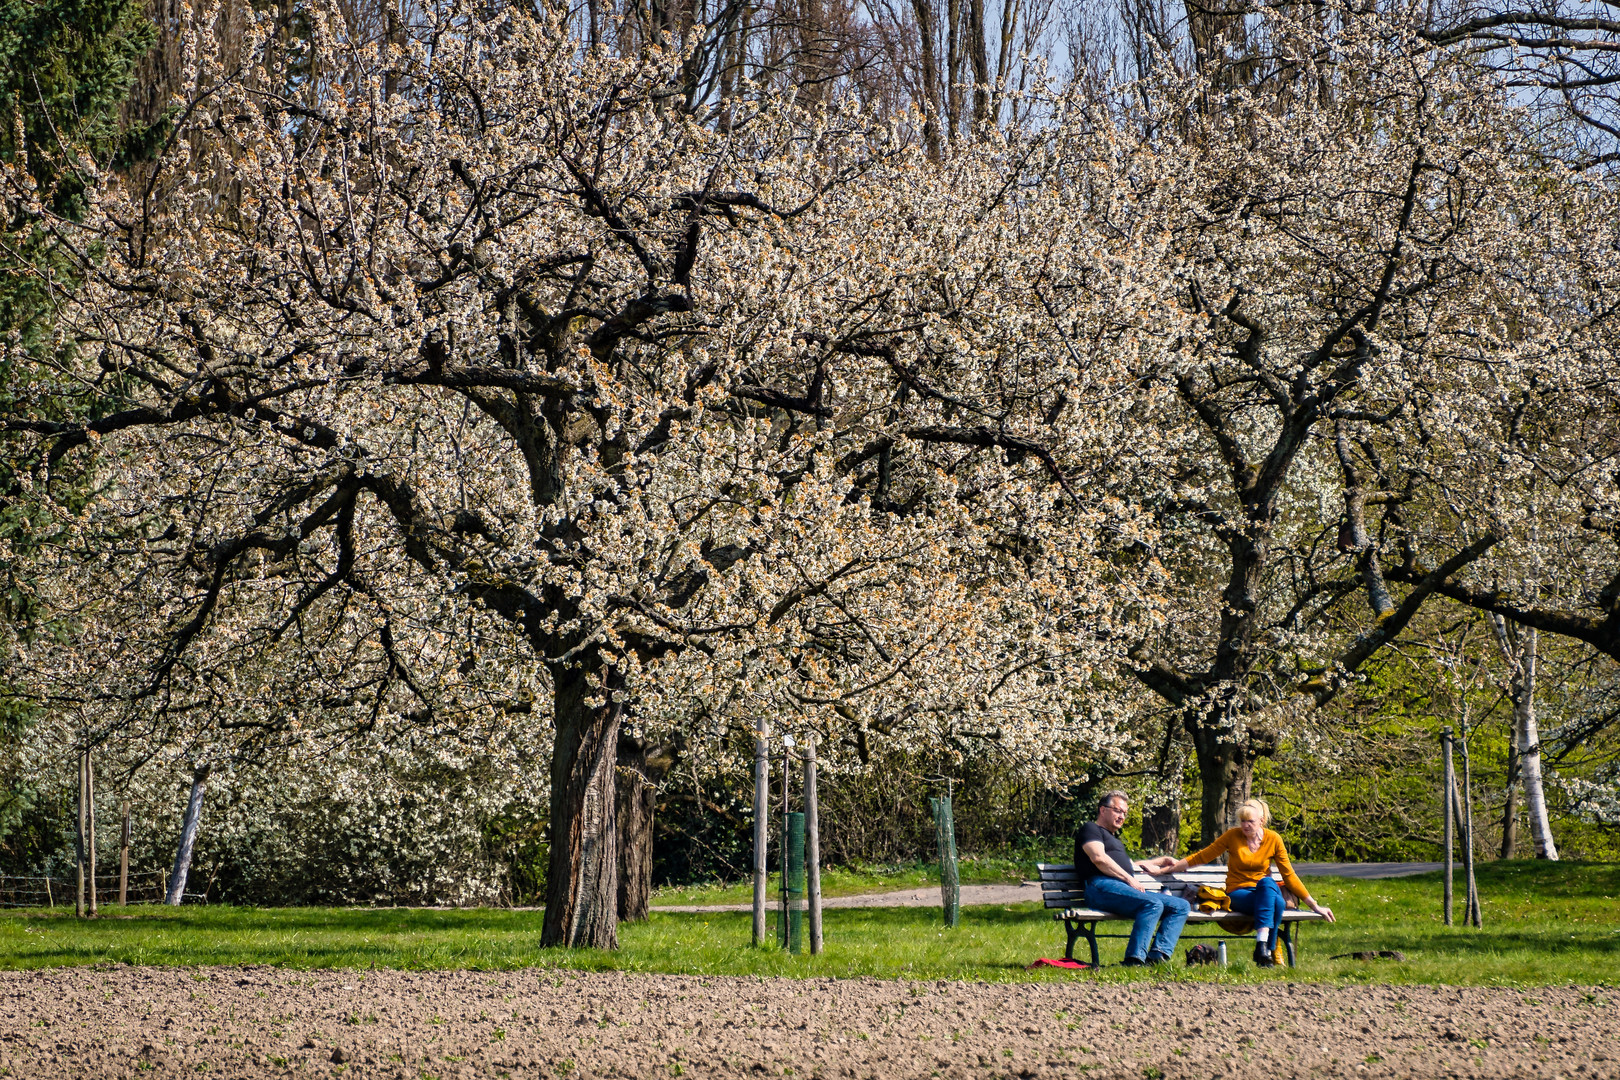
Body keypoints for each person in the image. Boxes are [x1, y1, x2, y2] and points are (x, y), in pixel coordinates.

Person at [1149, 797, 1335, 968]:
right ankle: (1266, 950)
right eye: (1242, 821)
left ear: (1261, 821)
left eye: (1250, 821)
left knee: (1268, 885)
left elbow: (1289, 875)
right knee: (1275, 899)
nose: (1245, 825)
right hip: (1239, 893)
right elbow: (1202, 856)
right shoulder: (1232, 836)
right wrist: (1166, 870)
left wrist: (1314, 905)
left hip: (1264, 891)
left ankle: (1262, 949)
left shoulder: (1274, 839)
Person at [1074, 791, 1188, 966]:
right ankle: (1134, 960)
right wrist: (1129, 879)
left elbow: (1128, 865)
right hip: (1100, 887)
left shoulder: (1114, 840)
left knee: (1180, 906)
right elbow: (1098, 858)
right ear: (1103, 810)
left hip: (1120, 887)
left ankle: (1158, 957)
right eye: (1118, 811)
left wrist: (1161, 861)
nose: (1122, 817)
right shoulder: (1090, 829)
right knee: (1152, 904)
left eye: (1125, 813)